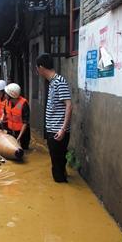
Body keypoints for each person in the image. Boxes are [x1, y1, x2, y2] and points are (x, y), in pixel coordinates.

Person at [36, 53, 72, 183]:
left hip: (58, 131)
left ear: (41, 67)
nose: (37, 71)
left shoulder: (59, 82)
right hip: (54, 130)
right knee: (58, 163)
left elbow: (69, 105)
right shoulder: (52, 82)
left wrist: (63, 129)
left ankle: (62, 194)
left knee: (57, 168)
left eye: (37, 68)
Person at [4, 83, 31, 150]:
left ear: (11, 95)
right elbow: (5, 114)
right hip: (11, 130)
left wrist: (19, 137)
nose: (5, 95)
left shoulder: (24, 104)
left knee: (24, 150)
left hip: (23, 133)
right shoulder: (7, 102)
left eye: (6, 94)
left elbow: (25, 122)